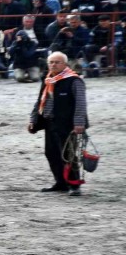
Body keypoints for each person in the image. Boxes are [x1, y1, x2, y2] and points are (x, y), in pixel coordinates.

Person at [28, 51, 88, 196]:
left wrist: (79, 123)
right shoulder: (48, 79)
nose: (53, 65)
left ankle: (74, 185)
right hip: (49, 122)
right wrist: (33, 119)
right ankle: (61, 182)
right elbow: (39, 101)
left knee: (69, 154)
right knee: (51, 153)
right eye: (51, 62)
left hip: (67, 124)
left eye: (57, 62)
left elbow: (81, 104)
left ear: (65, 64)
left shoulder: (74, 80)